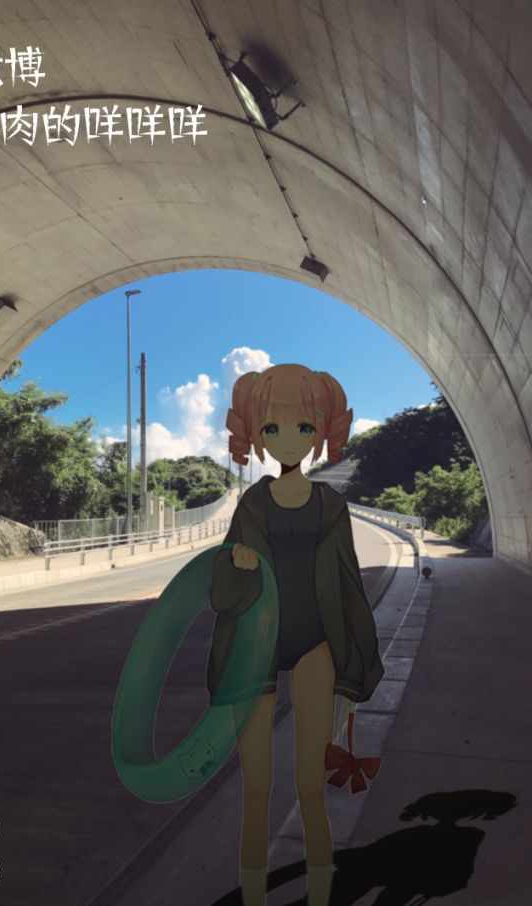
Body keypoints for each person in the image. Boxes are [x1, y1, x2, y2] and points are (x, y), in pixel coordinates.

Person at [206, 364, 384, 906]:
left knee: (310, 786)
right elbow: (221, 594)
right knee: (256, 788)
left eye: (304, 427)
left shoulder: (332, 506)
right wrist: (236, 565)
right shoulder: (251, 505)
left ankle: (321, 895)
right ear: (255, 435)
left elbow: (350, 586)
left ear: (322, 431)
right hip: (254, 646)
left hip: (316, 645)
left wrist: (355, 674)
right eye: (272, 428)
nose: (288, 440)